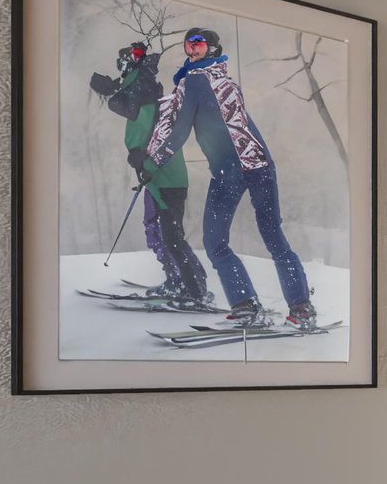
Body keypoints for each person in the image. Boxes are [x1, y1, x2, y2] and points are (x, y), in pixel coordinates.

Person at [141, 27, 317, 331]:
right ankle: (301, 308)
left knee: (215, 242)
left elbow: (180, 129)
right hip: (260, 164)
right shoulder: (223, 81)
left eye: (198, 44)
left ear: (211, 48)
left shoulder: (194, 80)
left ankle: (247, 306)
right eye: (188, 44)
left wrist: (154, 161)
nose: (192, 49)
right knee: (274, 240)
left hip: (230, 170)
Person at [90, 38, 212, 308]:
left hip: (165, 177)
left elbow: (148, 132)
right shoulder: (145, 90)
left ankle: (194, 290)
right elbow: (128, 103)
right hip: (160, 177)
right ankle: (180, 280)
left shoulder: (143, 92)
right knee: (160, 231)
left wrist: (141, 160)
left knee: (170, 235)